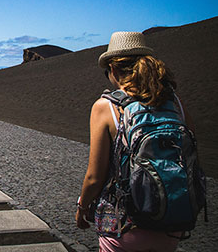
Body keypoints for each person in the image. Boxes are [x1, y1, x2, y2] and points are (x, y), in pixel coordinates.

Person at [75, 31, 194, 252]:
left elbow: (94, 176)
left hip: (124, 225)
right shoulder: (175, 103)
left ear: (112, 69)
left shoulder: (107, 107)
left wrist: (82, 206)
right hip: (171, 222)